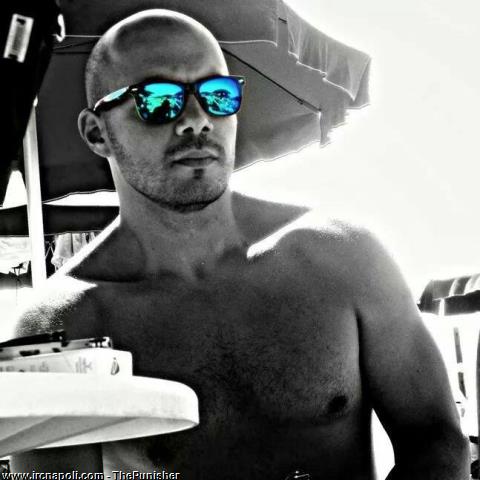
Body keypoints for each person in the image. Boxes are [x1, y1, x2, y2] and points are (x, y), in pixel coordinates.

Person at [11, 9, 469, 480]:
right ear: (97, 132)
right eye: (159, 100)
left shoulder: (346, 260)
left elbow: (437, 441)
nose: (196, 120)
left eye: (217, 95)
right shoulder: (59, 327)